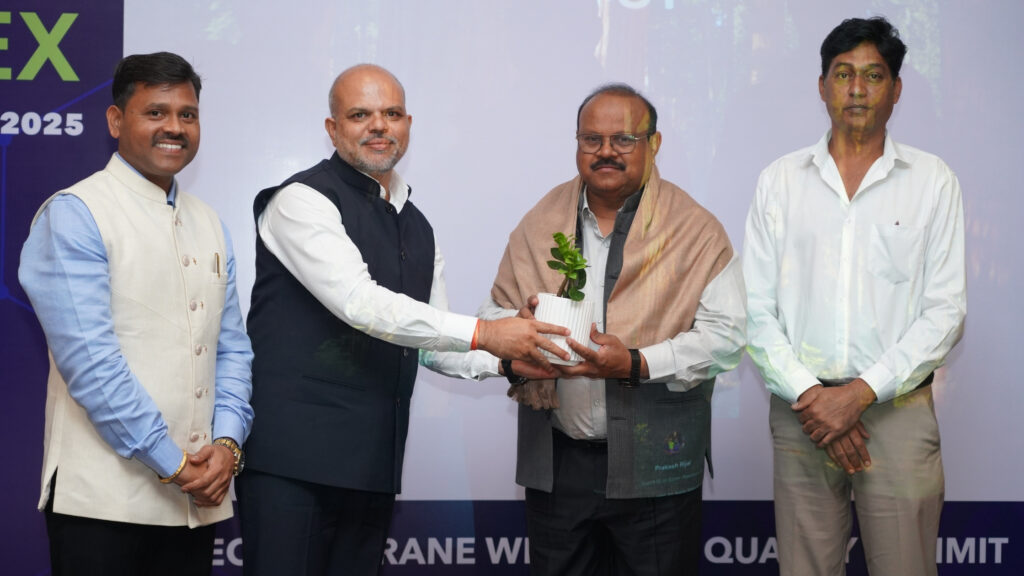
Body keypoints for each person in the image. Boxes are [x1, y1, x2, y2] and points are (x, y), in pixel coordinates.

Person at [239, 63, 569, 576]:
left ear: (408, 125)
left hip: (372, 464)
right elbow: (360, 304)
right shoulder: (300, 201)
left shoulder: (418, 225)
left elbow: (432, 342)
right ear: (332, 128)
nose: (379, 125)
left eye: (391, 113)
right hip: (291, 467)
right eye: (360, 114)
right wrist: (489, 332)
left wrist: (510, 362)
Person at [486, 84, 747, 575]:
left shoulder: (696, 229)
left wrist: (636, 363)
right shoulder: (538, 222)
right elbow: (496, 311)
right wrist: (517, 333)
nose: (606, 151)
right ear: (577, 144)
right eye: (592, 139)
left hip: (658, 466)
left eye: (624, 139)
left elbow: (726, 338)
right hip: (559, 467)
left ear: (654, 144)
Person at [743, 16, 966, 576]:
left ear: (896, 89)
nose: (858, 89)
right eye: (843, 74)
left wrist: (860, 394)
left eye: (874, 75)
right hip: (803, 416)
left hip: (896, 414)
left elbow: (945, 311)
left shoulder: (932, 181)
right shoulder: (780, 181)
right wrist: (815, 398)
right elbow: (754, 310)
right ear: (822, 87)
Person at [18, 52, 253, 576]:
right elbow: (93, 364)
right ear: (116, 120)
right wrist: (173, 463)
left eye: (187, 115)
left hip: (194, 503)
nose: (175, 127)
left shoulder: (209, 221)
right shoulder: (76, 214)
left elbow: (231, 347)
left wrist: (227, 445)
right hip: (103, 505)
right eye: (156, 112)